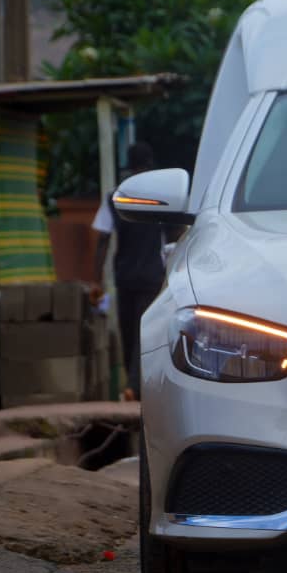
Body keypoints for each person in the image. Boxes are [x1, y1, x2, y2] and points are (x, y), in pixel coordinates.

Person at [92, 142, 166, 401]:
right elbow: (175, 233)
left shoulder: (114, 197)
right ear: (150, 165)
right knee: (142, 330)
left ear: (129, 166)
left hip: (124, 276)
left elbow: (102, 239)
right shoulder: (161, 197)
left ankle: (133, 386)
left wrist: (97, 278)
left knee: (128, 331)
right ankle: (136, 386)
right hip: (153, 275)